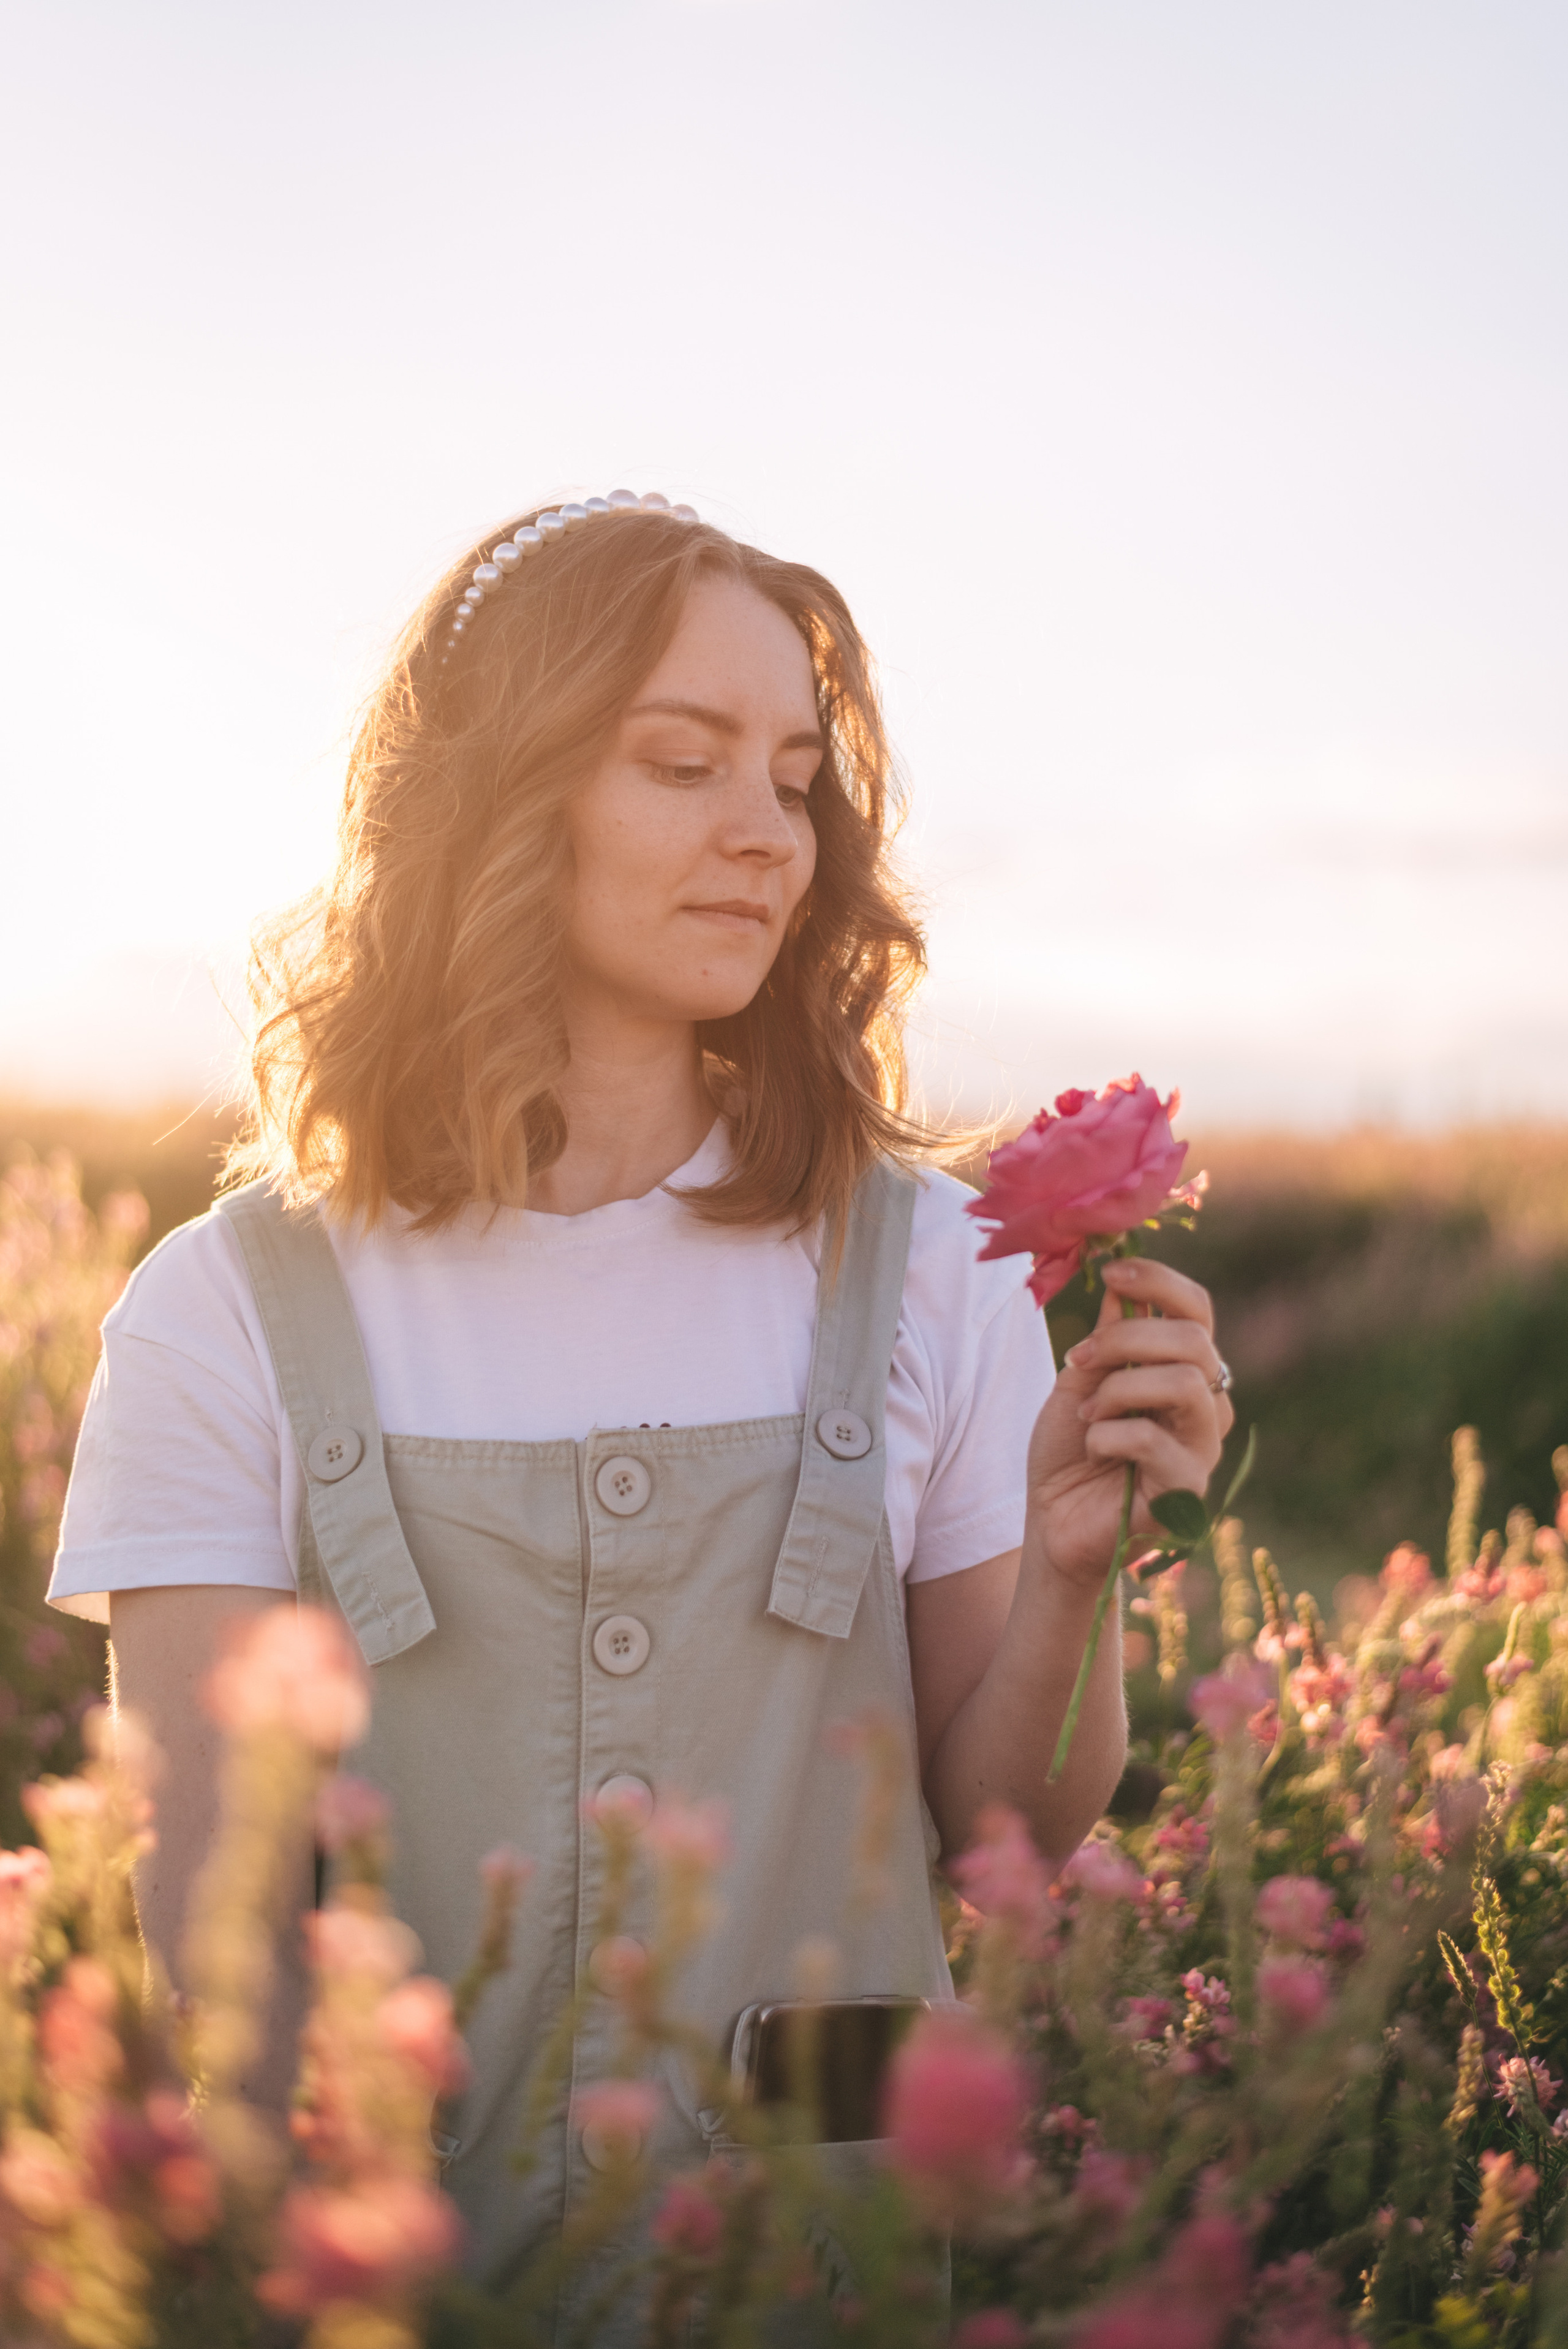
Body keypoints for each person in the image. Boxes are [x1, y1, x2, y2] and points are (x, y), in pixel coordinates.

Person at [48, 491, 1232, 2318]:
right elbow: (226, 1948)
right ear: (500, 799)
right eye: (684, 763)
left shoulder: (932, 1266)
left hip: (825, 2266)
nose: (764, 835)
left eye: (791, 776)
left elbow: (1010, 1829)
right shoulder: (225, 1311)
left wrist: (1076, 1571)